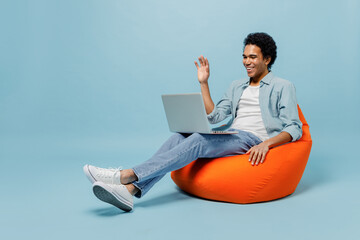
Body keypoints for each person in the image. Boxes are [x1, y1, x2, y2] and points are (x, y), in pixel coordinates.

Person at [83, 32, 302, 212]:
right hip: (233, 134)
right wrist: (204, 83)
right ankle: (129, 192)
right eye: (244, 57)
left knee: (198, 140)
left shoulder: (283, 86)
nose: (247, 62)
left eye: (253, 57)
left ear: (267, 59)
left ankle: (125, 175)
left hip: (253, 139)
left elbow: (294, 127)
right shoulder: (237, 86)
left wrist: (266, 144)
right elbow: (215, 116)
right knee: (179, 136)